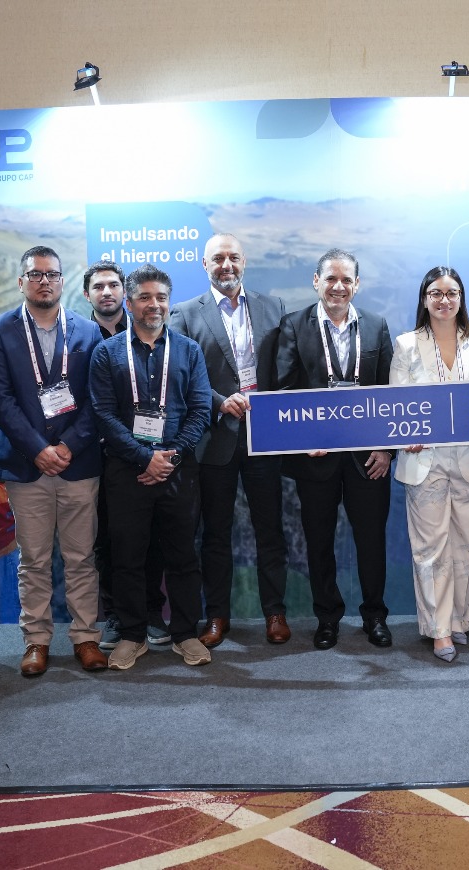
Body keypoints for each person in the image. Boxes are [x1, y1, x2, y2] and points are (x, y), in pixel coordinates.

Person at [0, 246, 107, 677]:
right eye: (35, 275)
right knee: (33, 560)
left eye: (51, 274)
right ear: (21, 282)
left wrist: (69, 445)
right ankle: (35, 640)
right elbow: (0, 399)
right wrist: (38, 448)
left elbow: (98, 399)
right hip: (26, 465)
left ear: (62, 281)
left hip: (79, 464)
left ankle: (85, 637)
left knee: (81, 558)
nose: (44, 281)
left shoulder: (87, 331)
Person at [169, 233, 290, 647]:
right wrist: (220, 401)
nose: (226, 265)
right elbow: (180, 376)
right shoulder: (185, 314)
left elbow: (285, 371)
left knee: (270, 531)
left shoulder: (274, 307)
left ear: (244, 261)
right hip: (213, 439)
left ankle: (275, 612)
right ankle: (217, 616)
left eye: (233, 257)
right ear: (204, 265)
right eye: (218, 258)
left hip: (265, 437)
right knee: (215, 535)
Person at [90, 265, 213, 669]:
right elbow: (103, 414)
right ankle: (132, 635)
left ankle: (185, 633)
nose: (154, 304)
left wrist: (169, 457)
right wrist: (145, 458)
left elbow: (200, 410)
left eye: (161, 297)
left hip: (178, 471)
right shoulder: (107, 353)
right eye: (144, 297)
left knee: (182, 556)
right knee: (127, 556)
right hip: (127, 471)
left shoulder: (188, 350)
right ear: (129, 303)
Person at [276, 248, 394, 650]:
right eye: (330, 278)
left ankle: (375, 616)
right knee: (319, 542)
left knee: (371, 542)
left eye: (346, 280)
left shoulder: (376, 326)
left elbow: (390, 393)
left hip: (368, 459)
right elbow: (285, 389)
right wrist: (303, 441)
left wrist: (387, 449)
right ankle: (327, 618)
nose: (338, 287)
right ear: (316, 281)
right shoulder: (294, 325)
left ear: (357, 284)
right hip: (317, 458)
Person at [390, 266, 469, 661]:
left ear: (461, 298)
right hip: (425, 460)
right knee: (431, 549)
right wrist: (406, 433)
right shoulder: (406, 344)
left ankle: (459, 621)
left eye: (452, 293)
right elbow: (396, 404)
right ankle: (439, 631)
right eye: (436, 293)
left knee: (464, 545)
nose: (444, 300)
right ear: (424, 299)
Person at [82, 260, 171, 649]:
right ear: (87, 294)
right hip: (94, 456)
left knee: (151, 537)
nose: (107, 292)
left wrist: (151, 455)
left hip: (146, 455)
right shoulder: (78, 335)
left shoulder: (149, 329)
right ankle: (117, 615)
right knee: (107, 540)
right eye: (98, 286)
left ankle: (151, 612)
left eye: (113, 285)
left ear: (126, 293)